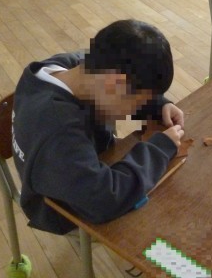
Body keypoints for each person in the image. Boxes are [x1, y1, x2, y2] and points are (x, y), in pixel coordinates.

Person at [12, 19, 185, 235]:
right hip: (65, 209)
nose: (138, 108)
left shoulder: (75, 67)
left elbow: (123, 81)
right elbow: (104, 200)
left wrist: (158, 106)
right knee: (164, 219)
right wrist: (159, 149)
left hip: (85, 166)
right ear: (114, 84)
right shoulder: (57, 129)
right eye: (139, 102)